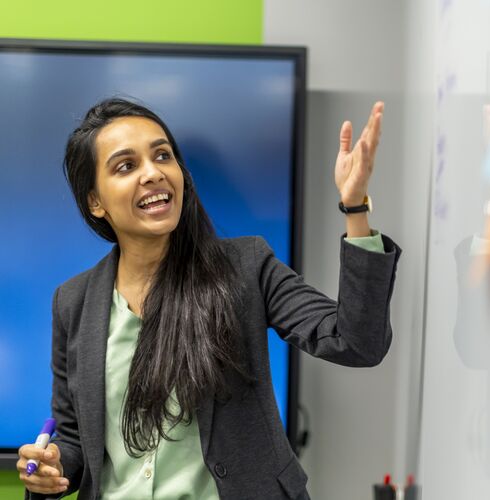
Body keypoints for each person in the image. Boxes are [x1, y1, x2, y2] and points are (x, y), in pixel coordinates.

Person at [15, 98, 401, 500]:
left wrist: (355, 208)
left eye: (163, 155)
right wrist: (53, 465)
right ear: (95, 201)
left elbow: (358, 343)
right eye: (126, 166)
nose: (153, 173)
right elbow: (76, 438)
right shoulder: (72, 302)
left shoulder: (246, 267)